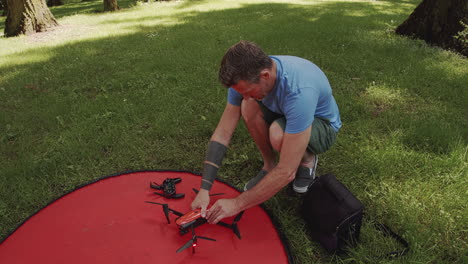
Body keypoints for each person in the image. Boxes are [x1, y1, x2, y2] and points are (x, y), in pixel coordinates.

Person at [191, 40, 341, 224]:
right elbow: (223, 133)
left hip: (322, 126)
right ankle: (269, 166)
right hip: (286, 112)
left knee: (278, 134)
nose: (242, 95)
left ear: (265, 75)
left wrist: (237, 204)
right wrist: (204, 189)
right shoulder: (248, 77)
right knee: (248, 105)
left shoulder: (299, 91)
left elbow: (286, 171)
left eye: (247, 91)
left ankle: (308, 160)